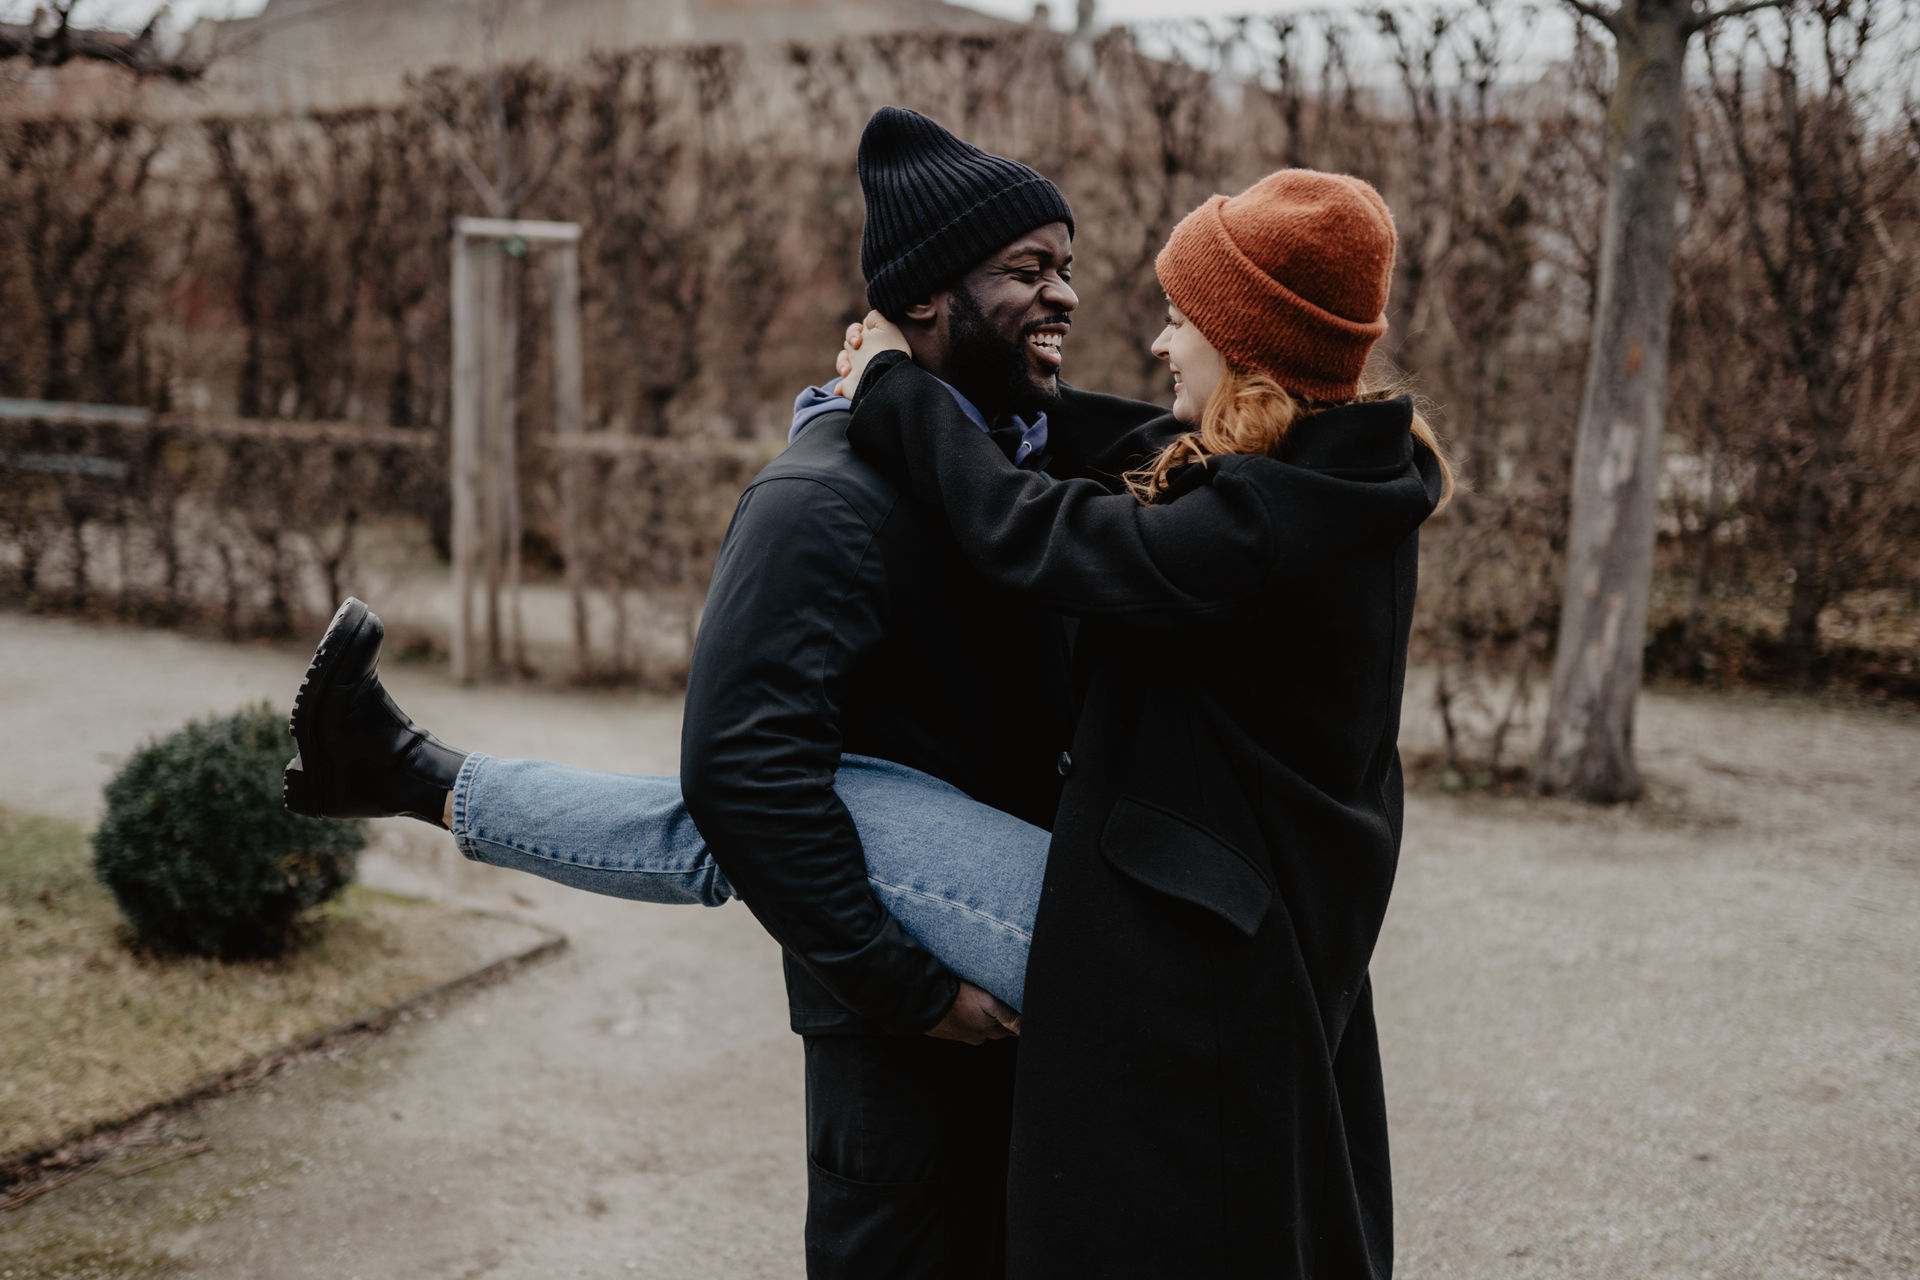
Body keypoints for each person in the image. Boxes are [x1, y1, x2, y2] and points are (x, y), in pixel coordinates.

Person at [285, 106, 1153, 1280]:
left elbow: (1149, 441)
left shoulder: (1005, 458)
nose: (1067, 296)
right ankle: (406, 773)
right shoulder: (822, 502)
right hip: (898, 1041)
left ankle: (404, 771)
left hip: (1010, 1006)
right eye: (1029, 270)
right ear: (929, 298)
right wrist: (910, 993)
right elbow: (746, 779)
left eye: (1070, 268)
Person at [835, 166, 1452, 1278]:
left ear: (1249, 343)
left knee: (769, 796)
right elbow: (1131, 449)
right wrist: (992, 384)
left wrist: (894, 387)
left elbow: (1031, 533)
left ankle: (449, 788)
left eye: (1181, 319)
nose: (1161, 345)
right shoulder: (1345, 473)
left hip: (1195, 973)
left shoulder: (1259, 532)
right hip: (1254, 931)